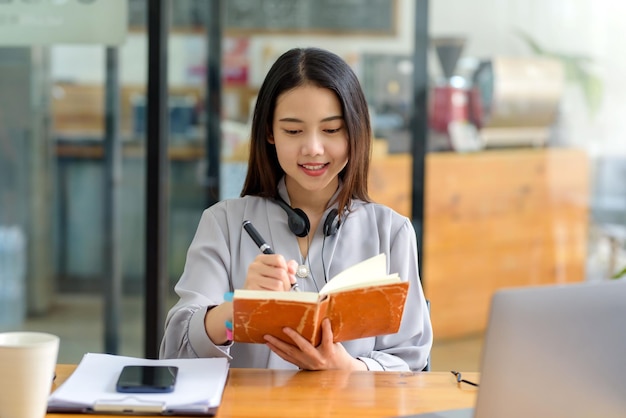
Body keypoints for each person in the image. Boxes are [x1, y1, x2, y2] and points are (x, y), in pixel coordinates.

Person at [160, 47, 432, 371]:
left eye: (331, 130)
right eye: (293, 131)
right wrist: (239, 309)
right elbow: (178, 352)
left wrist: (346, 368)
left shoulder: (391, 233)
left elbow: (411, 363)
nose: (313, 149)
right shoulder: (223, 224)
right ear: (269, 133)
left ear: (355, 132)